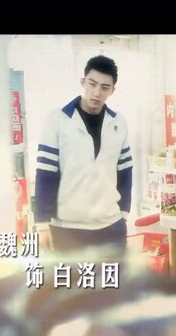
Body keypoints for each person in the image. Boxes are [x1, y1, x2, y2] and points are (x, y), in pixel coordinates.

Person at [34, 55, 133, 254]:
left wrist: (123, 215)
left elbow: (125, 171)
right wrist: (42, 224)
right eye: (92, 84)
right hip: (67, 228)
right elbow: (45, 174)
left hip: (110, 226)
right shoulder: (57, 120)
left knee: (113, 276)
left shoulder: (118, 122)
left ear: (112, 90)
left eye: (104, 87)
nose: (96, 93)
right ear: (83, 82)